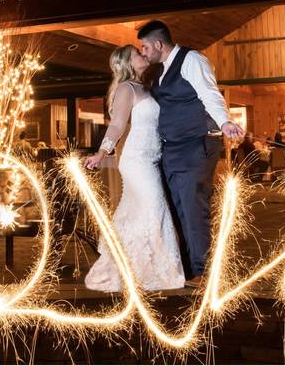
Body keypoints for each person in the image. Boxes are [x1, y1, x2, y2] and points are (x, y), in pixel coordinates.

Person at [137, 19, 244, 288]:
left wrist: (225, 122)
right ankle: (187, 270)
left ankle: (205, 272)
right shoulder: (162, 70)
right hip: (172, 149)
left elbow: (210, 94)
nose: (144, 52)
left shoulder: (192, 60)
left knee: (194, 208)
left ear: (159, 44)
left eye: (146, 47)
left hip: (195, 145)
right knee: (178, 209)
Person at [83, 45, 185, 292]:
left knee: (138, 212)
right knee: (153, 208)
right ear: (128, 62)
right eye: (137, 54)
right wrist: (101, 152)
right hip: (137, 160)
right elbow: (117, 125)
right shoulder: (126, 89)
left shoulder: (144, 88)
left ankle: (134, 268)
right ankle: (147, 271)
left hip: (151, 159)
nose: (143, 54)